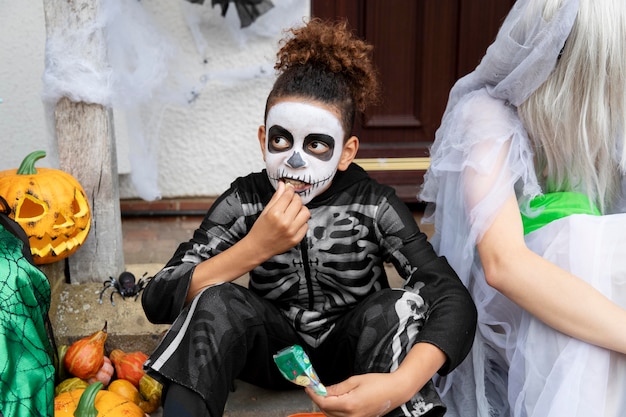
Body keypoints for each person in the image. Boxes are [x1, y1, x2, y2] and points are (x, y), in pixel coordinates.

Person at [141, 18, 477, 417]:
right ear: (263, 139)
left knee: (398, 305)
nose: (295, 160)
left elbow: (451, 297)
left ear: (347, 152)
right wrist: (255, 247)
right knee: (214, 300)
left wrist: (398, 384)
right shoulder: (247, 200)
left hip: (354, 357)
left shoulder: (372, 203)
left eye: (317, 144)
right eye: (281, 140)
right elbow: (158, 297)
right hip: (275, 355)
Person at [420, 0, 626, 416]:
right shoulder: (486, 116)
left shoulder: (600, 121)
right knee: (580, 242)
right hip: (514, 307)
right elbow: (504, 265)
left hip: (591, 293)